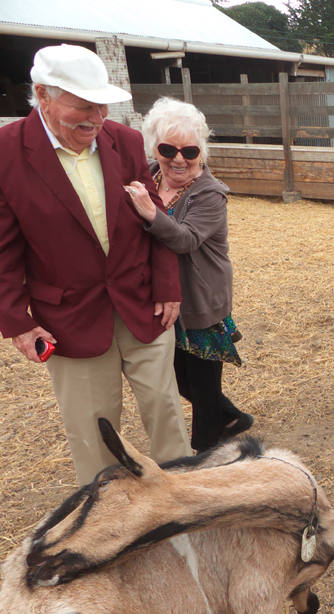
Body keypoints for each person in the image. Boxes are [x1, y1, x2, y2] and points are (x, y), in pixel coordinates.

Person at [0, 44, 190, 485]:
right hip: (68, 317)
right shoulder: (1, 152)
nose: (97, 117)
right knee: (92, 430)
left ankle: (184, 503)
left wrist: (167, 284)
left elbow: (153, 215)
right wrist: (16, 321)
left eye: (102, 104)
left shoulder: (124, 140)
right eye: (82, 105)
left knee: (167, 413)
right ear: (42, 95)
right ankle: (106, 521)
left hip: (143, 304)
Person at [125, 97, 252, 453]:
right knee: (178, 377)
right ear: (155, 147)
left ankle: (206, 450)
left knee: (202, 381)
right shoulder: (147, 176)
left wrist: (150, 212)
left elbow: (184, 240)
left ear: (201, 152)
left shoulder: (210, 194)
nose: (178, 158)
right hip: (162, 296)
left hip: (200, 298)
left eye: (189, 150)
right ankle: (231, 418)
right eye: (168, 148)